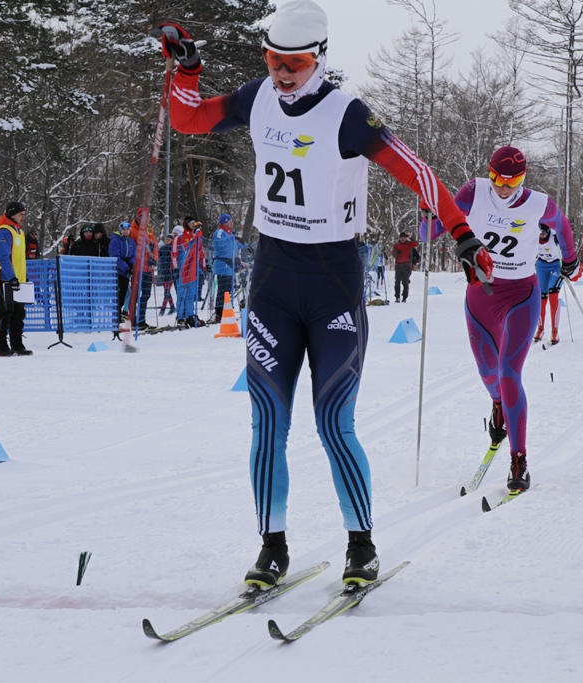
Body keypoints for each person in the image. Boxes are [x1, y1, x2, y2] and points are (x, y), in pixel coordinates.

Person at [157, 0, 490, 589]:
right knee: (267, 421)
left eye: (296, 62)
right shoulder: (255, 97)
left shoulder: (346, 115)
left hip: (334, 280)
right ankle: (272, 546)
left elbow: (415, 171)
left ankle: (360, 544)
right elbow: (187, 121)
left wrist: (462, 233)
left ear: (320, 59)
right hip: (273, 281)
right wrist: (185, 68)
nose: (283, 72)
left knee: (334, 421)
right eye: (275, 59)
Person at [453, 145, 578, 493]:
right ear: (488, 173)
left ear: (523, 178)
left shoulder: (539, 203)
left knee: (509, 373)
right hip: (480, 297)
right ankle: (497, 406)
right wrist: (428, 216)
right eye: (497, 178)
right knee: (488, 374)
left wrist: (569, 259)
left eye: (513, 180)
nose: (504, 187)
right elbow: (437, 225)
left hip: (521, 296)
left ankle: (519, 459)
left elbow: (562, 225)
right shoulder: (474, 191)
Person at [0, 201, 33, 357]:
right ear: (12, 214)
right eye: (21, 214)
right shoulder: (3, 232)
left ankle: (17, 345)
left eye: (24, 214)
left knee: (18, 313)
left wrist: (23, 277)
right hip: (7, 280)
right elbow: (3, 258)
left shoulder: (19, 232)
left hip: (19, 280)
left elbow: (19, 259)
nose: (23, 217)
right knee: (5, 312)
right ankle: (1, 347)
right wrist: (12, 277)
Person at [534, 223, 565, 344]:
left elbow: (568, 248)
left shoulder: (555, 236)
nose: (541, 236)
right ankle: (540, 329)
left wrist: (568, 265)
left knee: (553, 295)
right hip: (542, 265)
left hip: (556, 265)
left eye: (544, 234)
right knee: (541, 297)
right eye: (540, 234)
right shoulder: (533, 235)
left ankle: (555, 331)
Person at [172, 218, 204, 328]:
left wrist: (203, 265)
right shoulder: (179, 238)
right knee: (182, 294)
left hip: (193, 271)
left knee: (191, 294)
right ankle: (180, 317)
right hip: (182, 271)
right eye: (191, 223)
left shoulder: (196, 237)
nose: (193, 225)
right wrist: (175, 268)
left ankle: (189, 315)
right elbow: (174, 253)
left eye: (194, 223)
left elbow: (201, 252)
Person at [211, 213, 238, 322]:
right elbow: (219, 244)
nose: (232, 223)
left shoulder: (229, 233)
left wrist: (246, 245)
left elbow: (235, 245)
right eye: (230, 221)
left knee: (229, 290)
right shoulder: (220, 232)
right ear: (225, 222)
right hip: (223, 265)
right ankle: (219, 312)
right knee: (223, 290)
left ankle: (227, 310)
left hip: (230, 266)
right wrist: (232, 238)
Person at [109, 221, 136, 319]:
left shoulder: (131, 241)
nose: (125, 231)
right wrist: (125, 267)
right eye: (123, 230)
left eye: (127, 230)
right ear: (120, 230)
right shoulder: (115, 241)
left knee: (125, 292)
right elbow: (115, 256)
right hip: (118, 271)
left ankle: (121, 314)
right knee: (118, 293)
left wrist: (131, 264)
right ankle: (116, 315)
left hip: (127, 271)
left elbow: (134, 255)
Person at [391, 231, 417, 302]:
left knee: (405, 282)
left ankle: (404, 296)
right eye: (402, 238)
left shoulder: (409, 244)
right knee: (397, 282)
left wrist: (411, 237)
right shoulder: (396, 245)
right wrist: (396, 253)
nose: (403, 239)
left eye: (404, 238)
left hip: (406, 265)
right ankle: (397, 296)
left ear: (406, 238)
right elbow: (393, 255)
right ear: (400, 238)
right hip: (398, 265)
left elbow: (415, 244)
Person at [157, 230, 178, 315]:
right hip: (163, 272)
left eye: (169, 240)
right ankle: (172, 307)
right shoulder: (162, 249)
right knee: (166, 291)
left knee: (167, 291)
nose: (167, 241)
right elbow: (158, 257)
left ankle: (163, 308)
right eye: (166, 239)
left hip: (170, 273)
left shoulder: (173, 250)